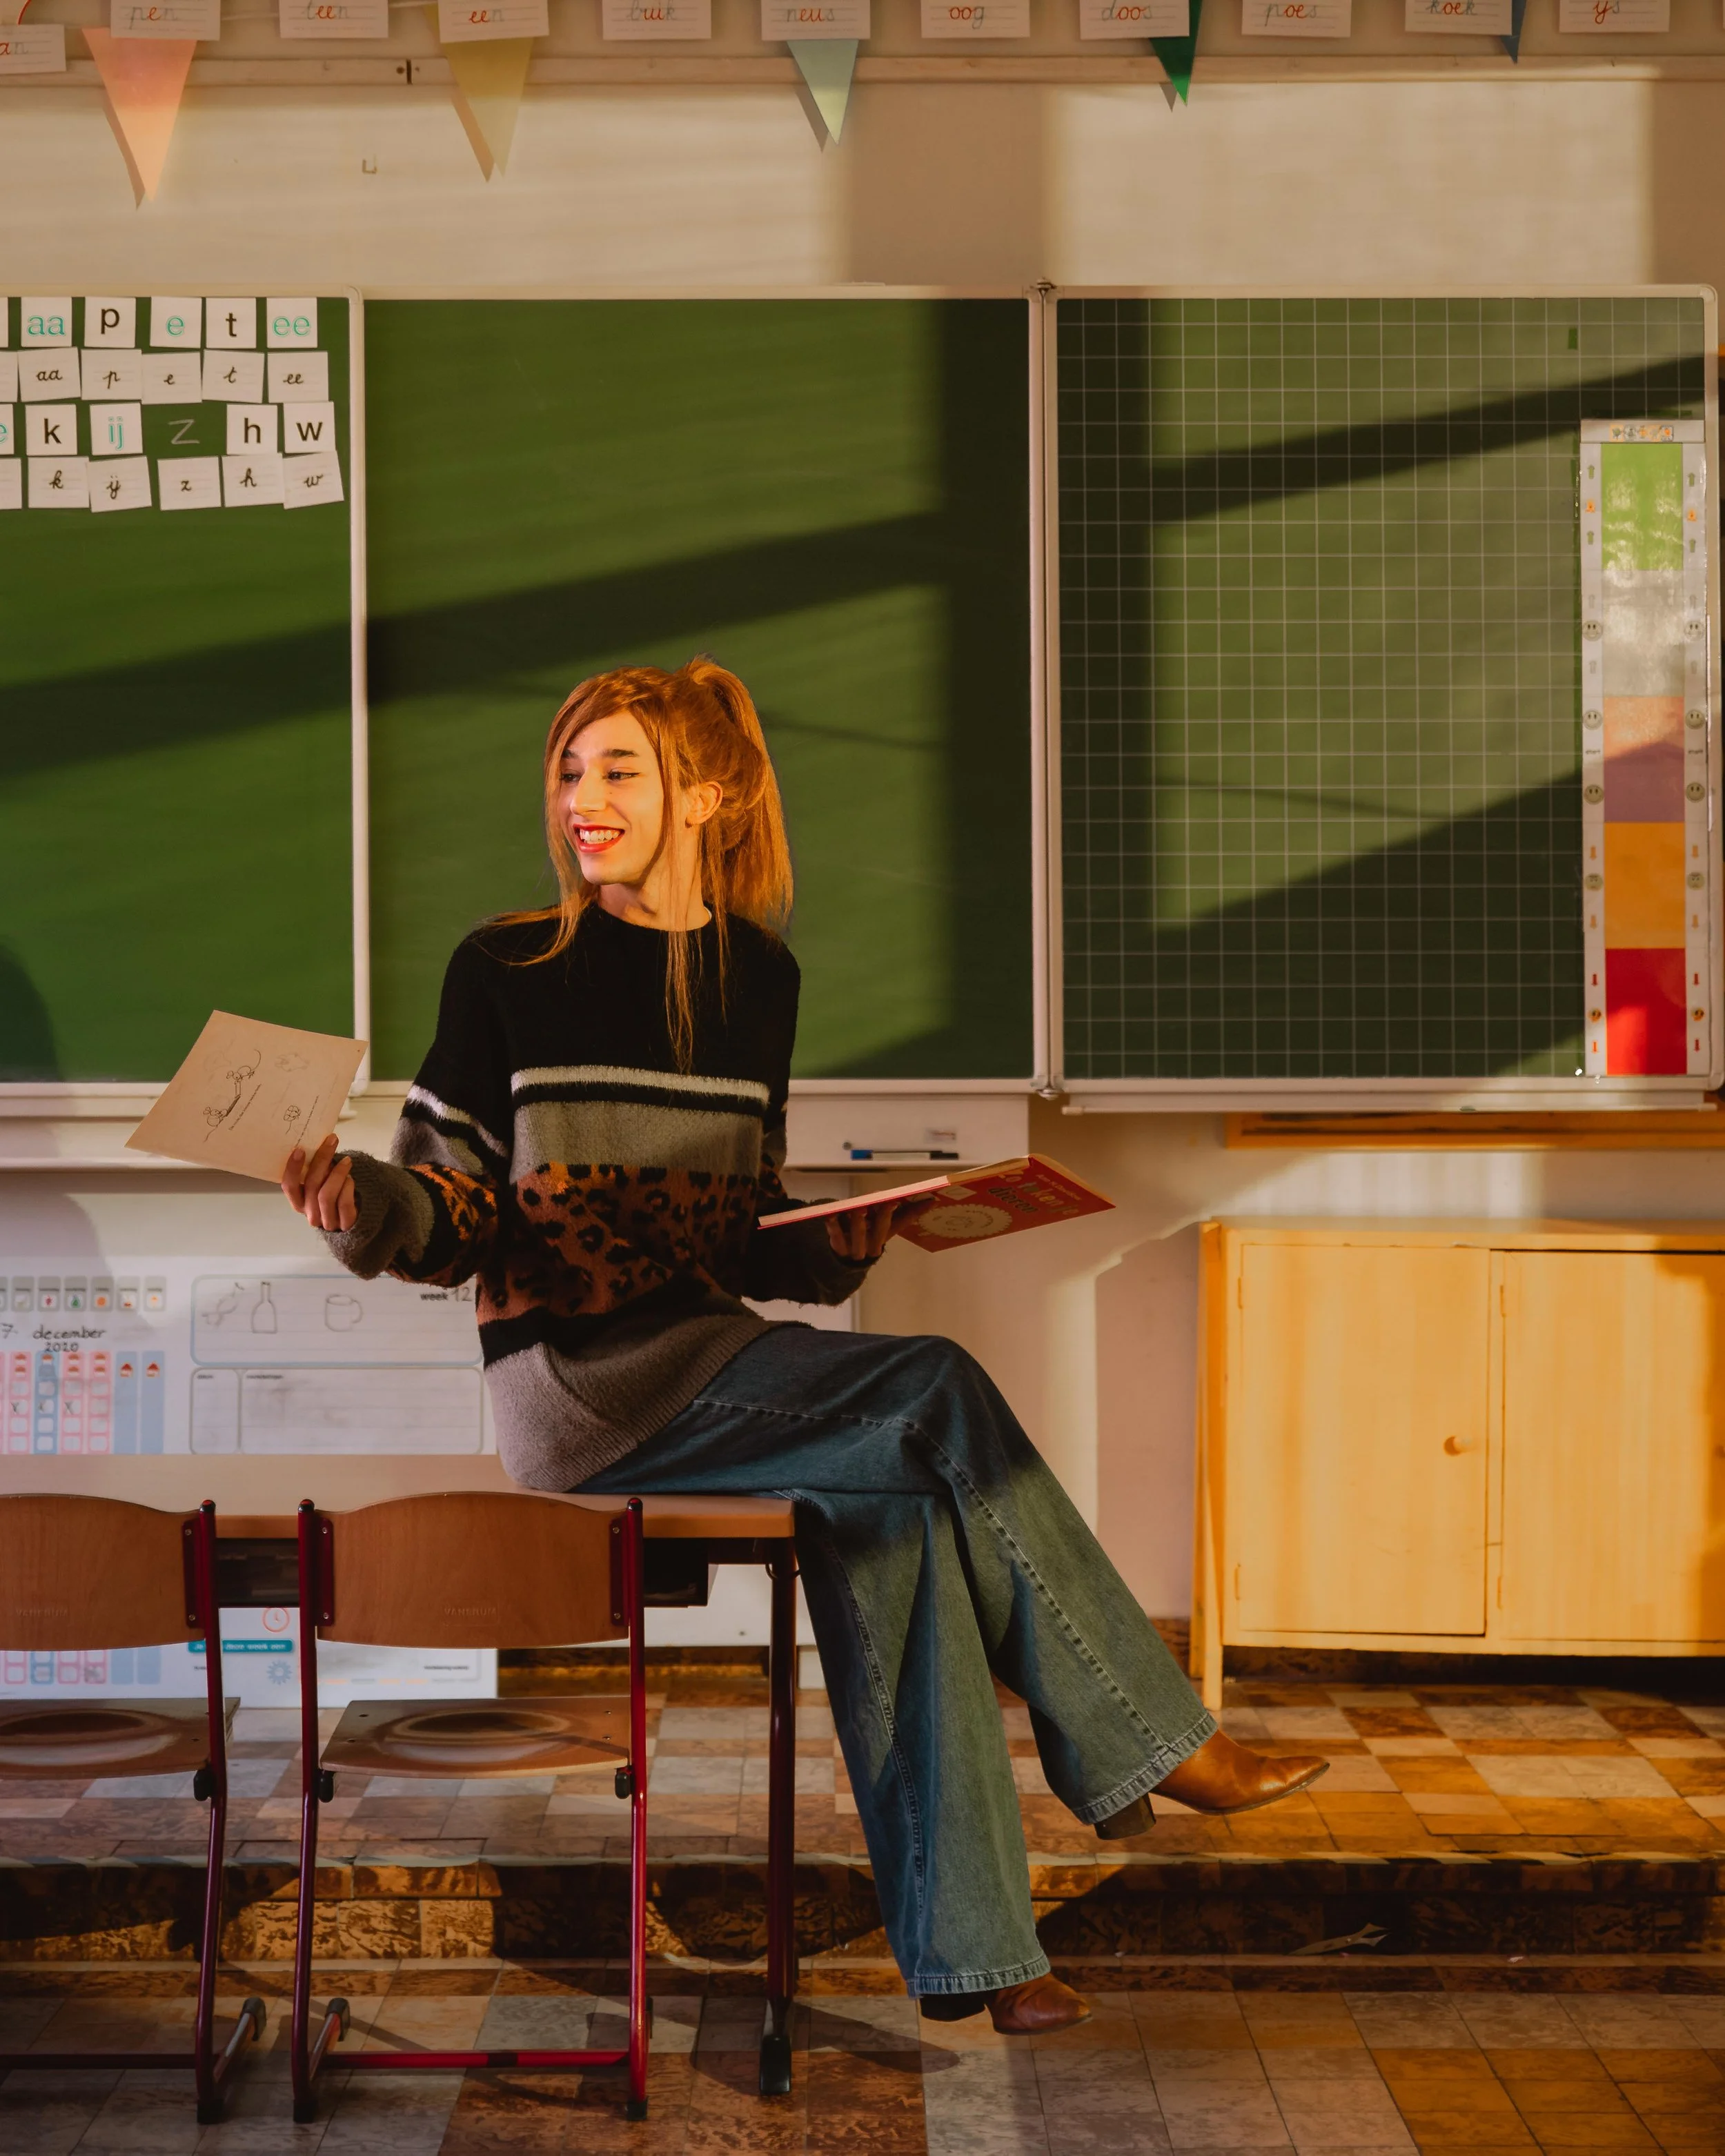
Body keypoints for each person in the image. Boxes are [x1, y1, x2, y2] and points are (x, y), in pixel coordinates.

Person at [284, 659, 1327, 2033]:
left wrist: (840, 1241)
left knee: (901, 1520)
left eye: (618, 769)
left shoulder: (755, 980)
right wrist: (366, 1207)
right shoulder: (508, 968)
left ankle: (985, 1959)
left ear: (705, 794)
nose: (582, 798)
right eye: (569, 769)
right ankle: (1152, 1742)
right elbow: (457, 1207)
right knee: (933, 1384)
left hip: (712, 1354)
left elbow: (738, 1234)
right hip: (579, 1386)